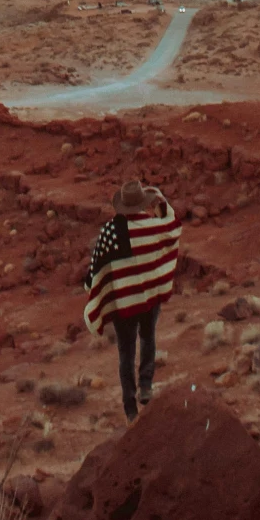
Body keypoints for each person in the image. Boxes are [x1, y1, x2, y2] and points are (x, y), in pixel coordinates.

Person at [82, 179, 181, 422]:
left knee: (125, 353)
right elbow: (173, 226)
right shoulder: (153, 226)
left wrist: (94, 288)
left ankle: (130, 409)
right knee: (148, 337)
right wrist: (161, 200)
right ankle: (146, 385)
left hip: (123, 303)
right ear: (143, 204)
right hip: (149, 296)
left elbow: (95, 272)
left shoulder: (110, 232)